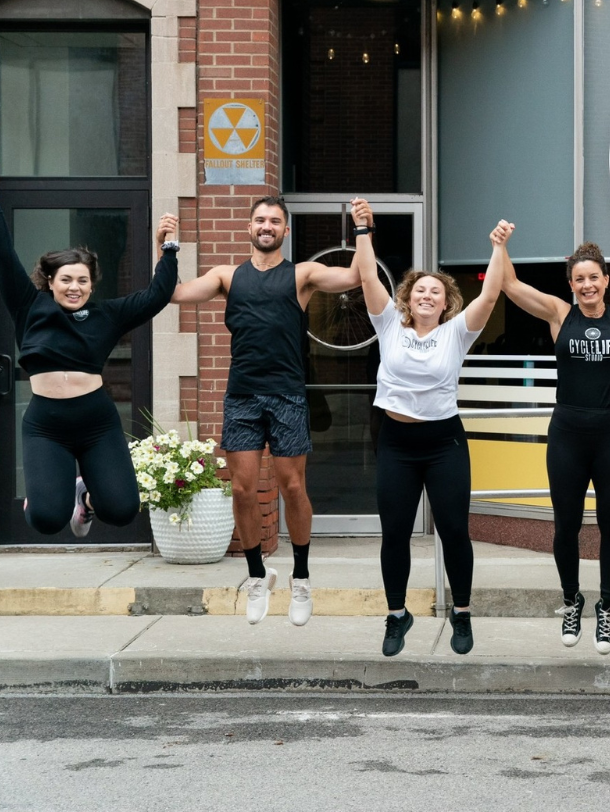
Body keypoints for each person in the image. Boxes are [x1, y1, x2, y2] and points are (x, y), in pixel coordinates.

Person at [172, 196, 362, 626]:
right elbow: (177, 294)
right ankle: (257, 575)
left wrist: (363, 231)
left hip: (287, 395)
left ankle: (302, 576)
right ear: (249, 226)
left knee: (292, 487)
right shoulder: (227, 276)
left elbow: (353, 275)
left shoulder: (301, 275)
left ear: (285, 230)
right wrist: (167, 247)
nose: (266, 226)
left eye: (275, 220)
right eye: (260, 219)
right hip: (242, 396)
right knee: (242, 490)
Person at [498, 239, 610, 654]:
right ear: (571, 284)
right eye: (579, 279)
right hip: (567, 435)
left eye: (593, 277)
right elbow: (508, 284)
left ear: (606, 280)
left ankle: (607, 608)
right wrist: (502, 245)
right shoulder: (560, 314)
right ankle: (571, 600)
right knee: (566, 526)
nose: (587, 285)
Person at [351, 198, 511, 657]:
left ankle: (462, 613)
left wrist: (497, 247)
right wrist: (363, 229)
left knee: (454, 530)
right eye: (419, 290)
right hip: (396, 441)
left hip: (444, 441)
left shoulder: (457, 332)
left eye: (435, 292)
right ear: (407, 298)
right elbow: (366, 276)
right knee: (395, 531)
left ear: (446, 302)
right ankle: (397, 614)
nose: (426, 295)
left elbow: (491, 295)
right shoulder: (388, 325)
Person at [0, 211, 179, 538]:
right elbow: (4, 254)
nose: (74, 287)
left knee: (122, 509)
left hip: (96, 422)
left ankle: (86, 497)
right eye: (66, 279)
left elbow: (157, 296)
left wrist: (166, 249)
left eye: (82, 280)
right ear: (50, 281)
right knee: (46, 518)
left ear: (92, 284)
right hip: (46, 426)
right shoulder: (29, 306)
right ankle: (44, 497)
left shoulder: (106, 315)